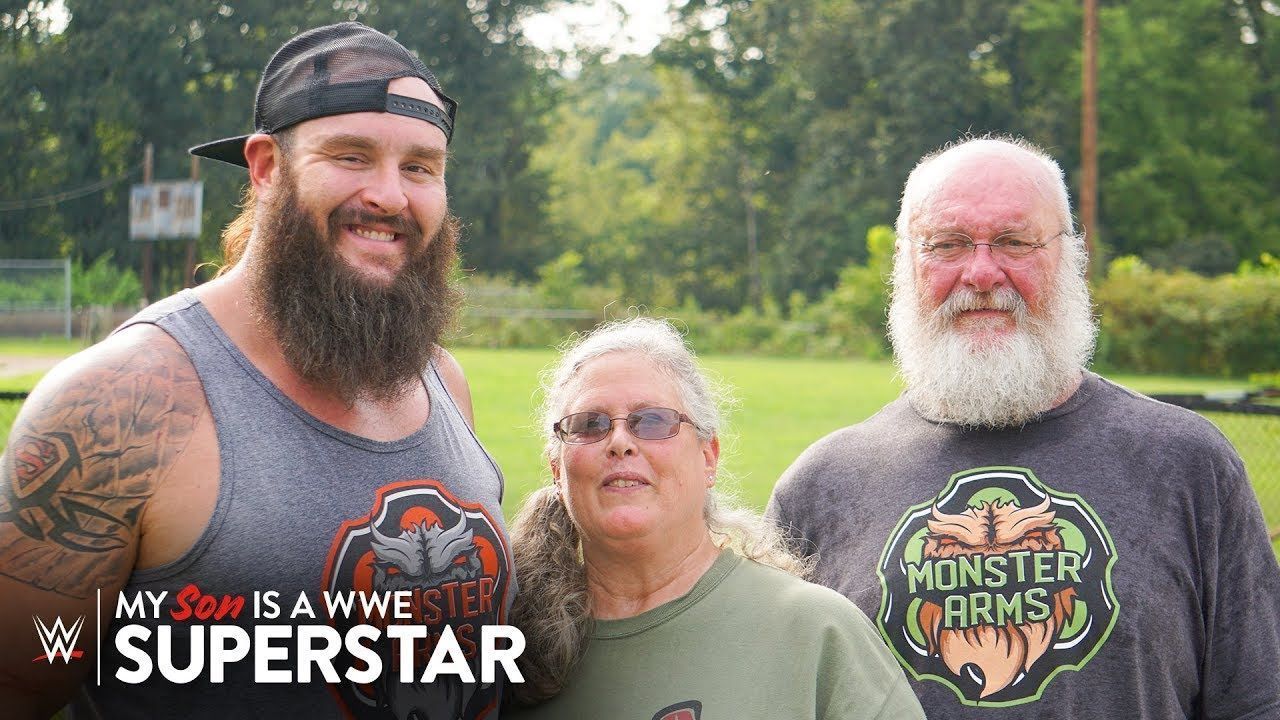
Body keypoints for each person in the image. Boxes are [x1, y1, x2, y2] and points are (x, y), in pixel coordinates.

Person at [0, 22, 514, 719]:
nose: (391, 196)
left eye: (421, 167)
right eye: (352, 156)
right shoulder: (119, 405)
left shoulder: (440, 381)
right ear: (267, 167)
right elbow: (20, 687)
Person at [768, 136, 1280, 718]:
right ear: (907, 264)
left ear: (1069, 258)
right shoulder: (819, 489)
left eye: (1014, 242)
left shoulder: (1187, 464)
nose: (982, 273)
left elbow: (1258, 701)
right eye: (948, 244)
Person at [504, 317, 925, 719]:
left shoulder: (814, 631)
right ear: (557, 470)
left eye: (653, 421)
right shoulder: (512, 650)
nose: (619, 442)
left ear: (709, 458)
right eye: (589, 424)